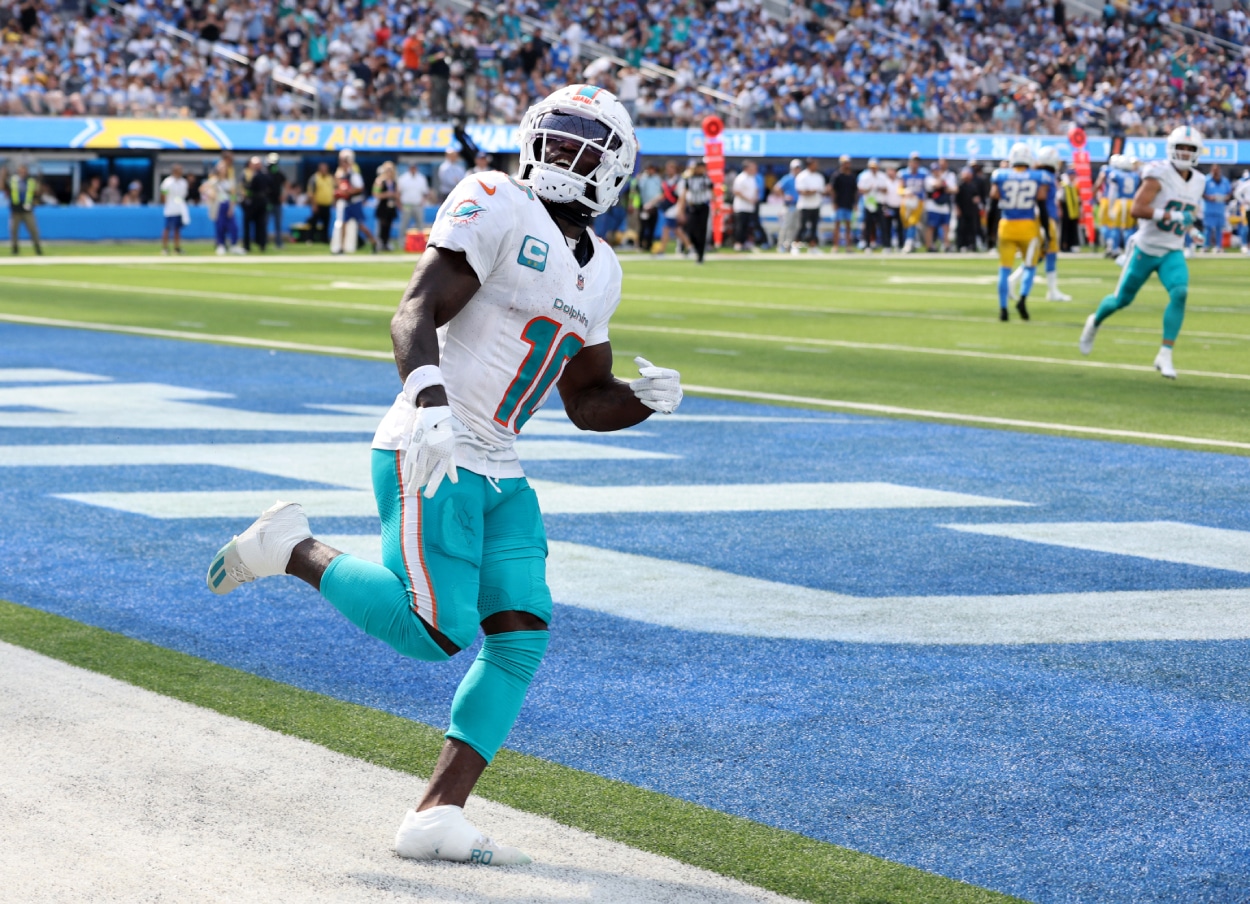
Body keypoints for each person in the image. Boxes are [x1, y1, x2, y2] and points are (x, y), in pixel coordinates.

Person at [206, 84, 682, 866]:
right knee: (435, 632)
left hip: (501, 464)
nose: (563, 153)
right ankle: (290, 549)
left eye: (582, 144)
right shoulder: (494, 197)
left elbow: (588, 401)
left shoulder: (605, 272)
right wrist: (426, 400)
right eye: (554, 138)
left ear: (616, 168)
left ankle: (436, 814)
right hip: (432, 443)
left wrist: (647, 402)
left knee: (521, 633)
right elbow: (414, 310)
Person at [1079, 127, 1207, 380]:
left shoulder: (1199, 181)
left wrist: (1191, 229)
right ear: (1171, 148)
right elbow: (1137, 209)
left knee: (1180, 292)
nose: (1184, 152)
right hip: (1146, 248)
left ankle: (1165, 353)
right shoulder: (1157, 174)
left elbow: (1185, 212)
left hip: (1172, 249)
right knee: (1121, 300)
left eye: (1190, 148)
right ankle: (1094, 321)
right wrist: (1171, 216)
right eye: (1181, 147)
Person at [990, 142, 1049, 322]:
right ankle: (1022, 299)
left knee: (1004, 269)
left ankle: (1003, 309)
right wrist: (1047, 232)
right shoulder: (1038, 176)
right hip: (1027, 227)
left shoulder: (1000, 175)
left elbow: (992, 203)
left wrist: (989, 231)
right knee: (1030, 266)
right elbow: (1042, 205)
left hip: (1006, 224)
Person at [332, 148, 378, 253]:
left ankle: (374, 242)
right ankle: (341, 248)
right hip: (347, 203)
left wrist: (348, 192)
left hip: (355, 203)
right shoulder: (342, 175)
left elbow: (360, 188)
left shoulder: (354, 174)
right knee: (343, 223)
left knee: (361, 225)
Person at [675, 158, 713, 263]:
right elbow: (683, 195)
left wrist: (717, 206)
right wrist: (680, 209)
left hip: (703, 206)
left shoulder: (706, 179)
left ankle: (700, 255)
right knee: (691, 230)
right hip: (692, 206)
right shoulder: (688, 179)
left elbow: (712, 192)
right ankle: (693, 247)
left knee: (702, 231)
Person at [8, 163, 43, 256]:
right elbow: (6, 188)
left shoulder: (31, 181)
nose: (22, 172)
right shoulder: (13, 180)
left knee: (33, 230)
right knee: (14, 230)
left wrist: (39, 181)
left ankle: (37, 248)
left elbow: (37, 192)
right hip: (15, 210)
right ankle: (15, 249)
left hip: (28, 210)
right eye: (20, 170)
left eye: (24, 170)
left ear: (26, 171)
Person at [856, 157, 890, 252]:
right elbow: (861, 189)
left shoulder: (882, 176)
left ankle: (886, 246)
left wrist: (879, 188)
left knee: (883, 225)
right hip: (869, 203)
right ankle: (867, 245)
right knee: (868, 225)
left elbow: (886, 189)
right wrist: (869, 189)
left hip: (879, 202)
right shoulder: (865, 176)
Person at [924, 159, 958, 252]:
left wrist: (945, 186)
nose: (937, 171)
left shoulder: (949, 176)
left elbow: (954, 189)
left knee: (946, 226)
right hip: (932, 206)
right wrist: (942, 182)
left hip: (944, 205)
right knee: (931, 226)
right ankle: (930, 245)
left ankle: (946, 245)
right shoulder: (929, 178)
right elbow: (937, 186)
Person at [794, 158, 826, 254]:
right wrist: (812, 191)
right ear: (809, 165)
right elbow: (801, 191)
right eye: (814, 164)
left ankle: (812, 247)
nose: (816, 166)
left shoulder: (819, 177)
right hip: (805, 205)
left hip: (816, 205)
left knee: (814, 228)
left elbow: (822, 191)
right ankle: (795, 245)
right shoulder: (802, 176)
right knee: (802, 227)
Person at [241, 156, 271, 253]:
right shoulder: (246, 173)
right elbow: (242, 186)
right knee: (250, 224)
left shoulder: (262, 174)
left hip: (258, 201)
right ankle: (249, 245)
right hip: (252, 201)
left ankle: (260, 244)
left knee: (261, 224)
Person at [899, 152, 928, 253]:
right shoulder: (904, 173)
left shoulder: (924, 173)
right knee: (906, 223)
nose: (915, 164)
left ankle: (909, 243)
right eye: (913, 161)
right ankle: (910, 241)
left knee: (913, 222)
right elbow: (900, 188)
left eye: (917, 162)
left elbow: (927, 187)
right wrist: (906, 192)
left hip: (918, 201)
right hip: (906, 201)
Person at [159, 163, 189, 255]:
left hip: (179, 208)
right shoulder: (167, 182)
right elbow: (163, 194)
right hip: (170, 209)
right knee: (167, 228)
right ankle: (165, 248)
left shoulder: (183, 182)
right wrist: (167, 204)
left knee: (177, 229)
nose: (181, 172)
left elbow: (184, 195)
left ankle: (177, 248)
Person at [635, 161, 663, 253]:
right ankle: (640, 245)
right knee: (643, 226)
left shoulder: (657, 179)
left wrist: (654, 202)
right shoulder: (643, 178)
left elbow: (660, 192)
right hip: (644, 206)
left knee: (652, 226)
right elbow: (638, 188)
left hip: (654, 206)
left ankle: (649, 245)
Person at [397, 162, 431, 239]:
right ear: (409, 168)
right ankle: (402, 243)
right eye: (411, 168)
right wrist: (399, 204)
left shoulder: (421, 178)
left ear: (416, 168)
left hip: (418, 205)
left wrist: (423, 201)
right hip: (406, 205)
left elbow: (425, 192)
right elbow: (398, 193)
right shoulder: (403, 178)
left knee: (420, 225)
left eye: (414, 168)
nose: (413, 169)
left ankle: (420, 243)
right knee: (404, 224)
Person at [1202, 163, 1231, 253]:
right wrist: (1209, 197)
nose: (1216, 172)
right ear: (1211, 170)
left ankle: (1219, 246)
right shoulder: (1206, 180)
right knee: (1208, 228)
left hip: (1220, 208)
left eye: (1217, 170)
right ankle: (1206, 246)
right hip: (1209, 208)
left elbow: (1229, 193)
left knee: (1219, 228)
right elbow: (1201, 193)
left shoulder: (1225, 181)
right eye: (1214, 170)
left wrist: (1225, 197)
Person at [775, 158, 801, 253]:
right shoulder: (788, 178)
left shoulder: (801, 178)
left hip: (799, 205)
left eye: (798, 168)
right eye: (795, 168)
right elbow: (777, 188)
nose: (797, 170)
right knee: (786, 226)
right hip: (789, 205)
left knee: (795, 227)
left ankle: (789, 245)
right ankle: (780, 245)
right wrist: (784, 196)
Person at [831, 155, 857, 251]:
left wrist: (855, 203)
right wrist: (834, 202)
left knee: (848, 226)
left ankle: (848, 246)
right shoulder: (837, 175)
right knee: (837, 225)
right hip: (839, 204)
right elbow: (833, 190)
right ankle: (835, 246)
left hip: (849, 204)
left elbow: (855, 191)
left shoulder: (852, 176)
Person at [731, 161, 759, 251]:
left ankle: (744, 242)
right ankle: (738, 243)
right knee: (740, 225)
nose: (754, 170)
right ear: (747, 168)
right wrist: (748, 199)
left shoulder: (752, 178)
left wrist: (754, 198)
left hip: (750, 207)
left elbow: (755, 190)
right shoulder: (741, 178)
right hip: (741, 207)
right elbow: (736, 191)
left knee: (747, 226)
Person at [373, 161, 399, 252]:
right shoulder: (380, 181)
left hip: (391, 206)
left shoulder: (394, 182)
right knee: (382, 226)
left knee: (389, 225)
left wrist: (396, 197)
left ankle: (386, 243)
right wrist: (386, 194)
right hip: (383, 206)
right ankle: (379, 243)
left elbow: (397, 194)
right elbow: (375, 194)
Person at [307, 162, 336, 243]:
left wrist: (334, 201)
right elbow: (311, 192)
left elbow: (333, 191)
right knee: (314, 223)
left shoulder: (330, 178)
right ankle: (310, 239)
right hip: (318, 204)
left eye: (325, 169)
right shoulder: (315, 178)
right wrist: (314, 204)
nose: (324, 170)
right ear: (319, 169)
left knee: (326, 224)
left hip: (327, 205)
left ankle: (325, 240)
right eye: (322, 169)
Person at [265, 153, 288, 249]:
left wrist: (283, 195)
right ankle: (263, 243)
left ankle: (278, 243)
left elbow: (286, 184)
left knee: (278, 224)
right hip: (267, 202)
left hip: (277, 203)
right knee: (264, 223)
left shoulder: (279, 174)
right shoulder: (265, 173)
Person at [955, 166, 980, 252]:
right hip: (962, 210)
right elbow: (956, 199)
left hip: (972, 210)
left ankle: (972, 245)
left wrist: (976, 199)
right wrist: (957, 209)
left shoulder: (973, 185)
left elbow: (977, 196)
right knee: (961, 228)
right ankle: (961, 245)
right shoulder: (960, 185)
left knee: (972, 228)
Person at [1234, 171, 1250, 254]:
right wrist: (1243, 201)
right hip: (1247, 209)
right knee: (1246, 228)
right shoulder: (1246, 184)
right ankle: (1244, 245)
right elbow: (1237, 193)